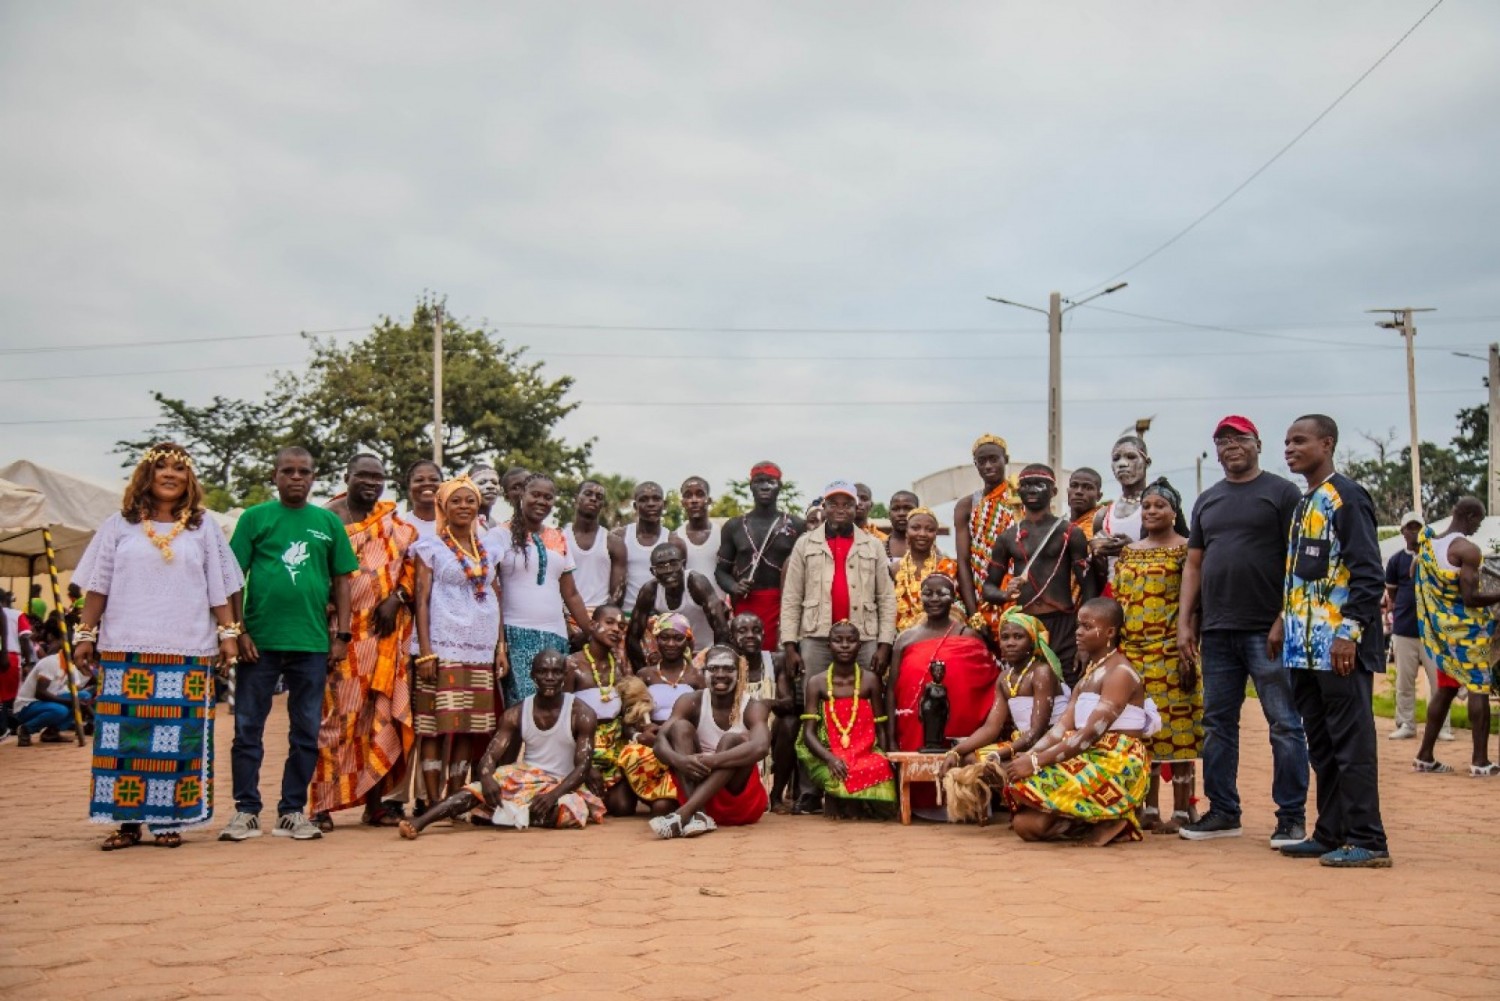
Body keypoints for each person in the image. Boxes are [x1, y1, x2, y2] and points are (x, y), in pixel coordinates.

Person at [70, 442, 242, 848]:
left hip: (186, 650)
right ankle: (127, 823)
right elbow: (99, 584)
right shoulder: (118, 525)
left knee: (177, 739)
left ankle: (169, 822)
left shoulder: (203, 528)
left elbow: (220, 588)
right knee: (124, 739)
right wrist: (85, 634)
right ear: (145, 477)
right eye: (160, 467)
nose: (170, 475)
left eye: (178, 469)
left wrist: (228, 633)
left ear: (189, 479)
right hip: (124, 649)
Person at [1177, 415, 1309, 848]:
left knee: (1284, 725)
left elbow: (1298, 562)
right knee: (1217, 724)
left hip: (1265, 630)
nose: (1231, 446)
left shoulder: (1282, 493)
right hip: (1216, 632)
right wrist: (1185, 623)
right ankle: (1223, 812)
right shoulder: (1208, 500)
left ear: (1257, 444)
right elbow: (1194, 564)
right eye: (1222, 441)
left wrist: (1283, 618)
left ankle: (1290, 817)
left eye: (1239, 439)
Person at [224, 446, 357, 843]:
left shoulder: (326, 522)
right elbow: (234, 577)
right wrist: (239, 630)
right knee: (248, 728)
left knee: (305, 730)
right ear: (275, 476)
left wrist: (344, 635)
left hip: (312, 642)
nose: (296, 478)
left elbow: (342, 582)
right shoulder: (254, 519)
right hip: (259, 643)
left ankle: (291, 811)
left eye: (304, 472)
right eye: (288, 471)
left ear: (314, 478)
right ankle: (246, 811)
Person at [1274, 414, 1390, 868]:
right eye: (1286, 441)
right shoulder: (1306, 503)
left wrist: (1350, 633)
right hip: (1303, 649)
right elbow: (1304, 577)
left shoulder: (1347, 497)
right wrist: (1283, 621)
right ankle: (1330, 832)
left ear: (1327, 444)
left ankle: (1369, 839)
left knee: (1351, 744)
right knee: (1320, 744)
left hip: (1339, 648)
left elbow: (1367, 572)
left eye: (1299, 441)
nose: (1290, 448)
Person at [310, 454, 418, 830]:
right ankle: (320, 805)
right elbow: (314, 574)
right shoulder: (326, 519)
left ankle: (375, 805)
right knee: (335, 721)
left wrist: (396, 599)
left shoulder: (395, 524)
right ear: (347, 477)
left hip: (385, 638)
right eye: (364, 476)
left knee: (380, 718)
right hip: (340, 636)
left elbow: (410, 568)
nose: (372, 483)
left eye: (378, 477)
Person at [1001, 598, 1156, 846]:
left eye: (1086, 626)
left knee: (1028, 781)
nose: (1078, 633)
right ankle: (1092, 821)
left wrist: (1036, 762)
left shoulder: (1120, 673)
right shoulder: (1089, 675)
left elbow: (1089, 734)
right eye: (1078, 626)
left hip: (1116, 760)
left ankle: (1115, 817)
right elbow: (1061, 729)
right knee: (1025, 825)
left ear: (1110, 632)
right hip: (1086, 752)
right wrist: (1027, 756)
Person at [399, 650, 604, 835]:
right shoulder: (515, 713)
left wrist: (553, 795)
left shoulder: (582, 714)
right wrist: (487, 777)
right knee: (476, 789)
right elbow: (490, 756)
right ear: (533, 676)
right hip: (526, 777)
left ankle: (506, 815)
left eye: (556, 672)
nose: (549, 678)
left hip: (563, 783)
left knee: (568, 812)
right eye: (543, 672)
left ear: (564, 676)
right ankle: (420, 822)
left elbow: (583, 767)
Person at [1114, 477, 1202, 834]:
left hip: (1172, 649)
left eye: (1159, 506)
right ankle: (1148, 808)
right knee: (1141, 730)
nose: (1151, 511)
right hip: (1133, 652)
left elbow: (1194, 601)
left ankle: (1183, 811)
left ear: (1174, 511)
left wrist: (1190, 640)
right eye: (1147, 506)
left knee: (1179, 730)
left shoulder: (1186, 549)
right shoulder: (1129, 551)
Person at [412, 477, 505, 805]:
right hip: (442, 645)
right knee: (435, 725)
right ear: (443, 507)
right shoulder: (430, 547)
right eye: (456, 501)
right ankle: (431, 800)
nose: (464, 506)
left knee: (469, 725)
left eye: (470, 501)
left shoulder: (489, 549)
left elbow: (496, 596)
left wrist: (500, 646)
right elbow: (420, 599)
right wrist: (425, 652)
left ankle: (454, 799)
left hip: (480, 647)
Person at [888, 573, 997, 815]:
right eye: (928, 593)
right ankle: (920, 808)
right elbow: (893, 689)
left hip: (958, 724)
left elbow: (984, 685)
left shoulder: (968, 636)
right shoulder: (904, 639)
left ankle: (964, 804)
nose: (934, 599)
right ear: (920, 598)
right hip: (914, 724)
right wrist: (891, 735)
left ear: (954, 598)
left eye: (942, 593)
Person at [940, 609, 1069, 801]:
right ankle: (1019, 802)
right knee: (969, 759)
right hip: (1024, 742)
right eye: (1005, 637)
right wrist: (955, 752)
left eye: (1018, 637)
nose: (1010, 643)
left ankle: (1031, 802)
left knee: (996, 764)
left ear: (1032, 641)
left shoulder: (1041, 672)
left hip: (1050, 742)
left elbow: (1037, 731)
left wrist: (1001, 754)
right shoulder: (1004, 678)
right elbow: (991, 728)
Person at [1412, 497, 1500, 776]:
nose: (1478, 527)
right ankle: (1480, 761)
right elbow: (1471, 598)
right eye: (1479, 521)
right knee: (1479, 688)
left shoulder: (1428, 547)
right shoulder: (1467, 550)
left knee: (1447, 689)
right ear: (1471, 516)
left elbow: (1415, 575)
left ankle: (1425, 755)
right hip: (1468, 635)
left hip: (1442, 635)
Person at [647, 645, 773, 838]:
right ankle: (699, 815)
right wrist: (679, 760)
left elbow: (761, 747)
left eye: (728, 669)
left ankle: (684, 814)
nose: (720, 674)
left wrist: (712, 760)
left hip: (739, 803)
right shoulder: (690, 700)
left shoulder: (753, 706)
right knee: (679, 728)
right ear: (703, 673)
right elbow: (660, 741)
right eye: (713, 669)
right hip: (699, 796)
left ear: (739, 674)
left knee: (732, 740)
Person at [984, 465, 1096, 682]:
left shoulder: (1070, 533)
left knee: (1068, 686)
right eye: (1025, 485)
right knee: (1026, 690)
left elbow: (1089, 588)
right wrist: (1006, 595)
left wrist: (1083, 635)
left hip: (1064, 625)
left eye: (1039, 484)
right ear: (1018, 492)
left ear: (1053, 491)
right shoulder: (1007, 538)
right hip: (1025, 627)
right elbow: (988, 588)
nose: (1032, 490)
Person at [490, 473, 594, 702]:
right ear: (521, 496)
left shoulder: (558, 537)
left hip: (555, 636)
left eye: (548, 497)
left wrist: (591, 632)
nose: (541, 501)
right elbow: (492, 592)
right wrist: (500, 645)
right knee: (524, 707)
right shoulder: (500, 535)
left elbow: (571, 594)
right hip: (515, 635)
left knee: (554, 706)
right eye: (535, 495)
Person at [781, 480, 897, 685]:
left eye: (847, 504)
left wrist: (885, 645)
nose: (840, 509)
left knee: (864, 700)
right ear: (824, 507)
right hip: (816, 637)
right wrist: (790, 646)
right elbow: (791, 596)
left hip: (863, 638)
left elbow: (886, 598)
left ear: (856, 508)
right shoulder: (805, 543)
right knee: (813, 698)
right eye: (834, 504)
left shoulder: (873, 545)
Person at [797, 620, 896, 818]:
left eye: (850, 641)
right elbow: (808, 733)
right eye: (837, 640)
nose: (844, 645)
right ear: (828, 646)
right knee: (837, 772)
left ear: (860, 646)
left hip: (864, 752)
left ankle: (849, 801)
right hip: (828, 753)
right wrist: (830, 759)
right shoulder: (817, 683)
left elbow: (881, 727)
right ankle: (843, 800)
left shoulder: (870, 681)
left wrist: (886, 758)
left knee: (879, 768)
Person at [616, 612, 706, 815]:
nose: (671, 643)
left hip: (685, 747)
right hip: (653, 749)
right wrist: (639, 736)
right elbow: (626, 723)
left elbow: (705, 719)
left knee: (662, 808)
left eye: (677, 638)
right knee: (634, 806)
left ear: (687, 640)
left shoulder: (697, 677)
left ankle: (688, 804)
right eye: (664, 637)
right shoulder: (645, 675)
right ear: (656, 640)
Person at [715, 461, 804, 650]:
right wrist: (734, 586)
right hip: (746, 605)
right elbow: (721, 571)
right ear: (751, 486)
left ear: (780, 486)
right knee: (747, 659)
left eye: (770, 482)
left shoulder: (796, 525)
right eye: (759, 481)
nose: (765, 486)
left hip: (784, 604)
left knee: (779, 659)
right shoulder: (734, 526)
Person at [1385, 511, 1453, 741]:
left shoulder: (1435, 557)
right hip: (1404, 630)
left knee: (1439, 682)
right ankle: (1406, 723)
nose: (1413, 532)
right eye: (1409, 528)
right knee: (1405, 681)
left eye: (1417, 527)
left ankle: (1442, 726)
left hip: (1432, 632)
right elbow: (1392, 593)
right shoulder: (1395, 561)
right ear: (1402, 531)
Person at [722, 612, 796, 806]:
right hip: (735, 731)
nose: (750, 635)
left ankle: (776, 795)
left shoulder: (776, 661)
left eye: (756, 631)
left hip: (769, 731)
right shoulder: (725, 665)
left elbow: (788, 701)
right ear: (731, 638)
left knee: (790, 723)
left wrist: (766, 704)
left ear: (764, 635)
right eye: (742, 631)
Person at [565, 604, 633, 815]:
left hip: (613, 752)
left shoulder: (621, 667)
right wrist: (585, 765)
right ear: (593, 626)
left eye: (621, 626)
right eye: (609, 623)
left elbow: (624, 715)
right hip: (580, 750)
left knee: (623, 807)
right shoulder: (572, 665)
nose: (616, 630)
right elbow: (562, 719)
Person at [955, 435, 1015, 639]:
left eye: (994, 459)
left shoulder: (1019, 500)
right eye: (982, 461)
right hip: (979, 588)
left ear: (1005, 460)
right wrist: (974, 615)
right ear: (976, 465)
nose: (988, 466)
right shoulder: (966, 505)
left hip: (1014, 592)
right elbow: (963, 562)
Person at [631, 542, 728, 654]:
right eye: (661, 567)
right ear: (653, 571)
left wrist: (714, 660)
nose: (669, 571)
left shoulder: (696, 583)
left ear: (683, 565)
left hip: (705, 652)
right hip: (672, 657)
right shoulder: (650, 591)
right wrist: (641, 669)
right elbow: (633, 636)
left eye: (674, 564)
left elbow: (722, 630)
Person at [14, 618, 91, 746]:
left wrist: (89, 712)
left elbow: (77, 692)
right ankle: (26, 729)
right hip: (28, 706)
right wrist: (71, 702)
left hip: (46, 703)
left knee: (84, 696)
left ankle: (52, 732)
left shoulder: (70, 667)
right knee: (61, 710)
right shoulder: (51, 662)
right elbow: (40, 693)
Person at [1091, 435, 1152, 583]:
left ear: (1147, 463)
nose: (1122, 464)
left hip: (1150, 594)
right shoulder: (1102, 516)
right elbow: (1100, 574)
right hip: (1113, 595)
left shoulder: (1159, 509)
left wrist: (1131, 550)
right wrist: (1097, 555)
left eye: (1131, 457)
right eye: (1116, 458)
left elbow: (1179, 553)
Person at [561, 480, 625, 613]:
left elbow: (618, 592)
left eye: (599, 497)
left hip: (599, 617)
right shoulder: (559, 538)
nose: (593, 499)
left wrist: (600, 621)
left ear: (602, 504)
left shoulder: (614, 542)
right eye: (588, 494)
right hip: (564, 616)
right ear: (576, 497)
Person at [614, 481, 679, 610]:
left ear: (664, 504)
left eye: (656, 499)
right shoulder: (619, 537)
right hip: (627, 614)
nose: (651, 504)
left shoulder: (674, 541)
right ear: (635, 506)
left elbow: (678, 586)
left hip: (662, 617)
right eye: (644, 500)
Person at [891, 508, 959, 632]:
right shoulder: (894, 569)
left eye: (929, 529)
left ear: (935, 534)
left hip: (942, 634)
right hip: (903, 637)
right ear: (906, 532)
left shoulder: (948, 566)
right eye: (915, 528)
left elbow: (957, 608)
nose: (922, 534)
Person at [679, 476, 725, 601]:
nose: (694, 500)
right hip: (687, 611)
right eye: (688, 495)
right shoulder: (676, 537)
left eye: (700, 494)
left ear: (708, 500)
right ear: (682, 502)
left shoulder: (722, 534)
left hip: (720, 609)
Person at [0, 589, 36, 736]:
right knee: (10, 696)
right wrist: (28, 662)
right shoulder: (17, 615)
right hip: (11, 656)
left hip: (5, 654)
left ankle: (5, 725)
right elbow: (24, 638)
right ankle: (7, 725)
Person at [883, 490, 920, 567]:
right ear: (889, 514)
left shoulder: (930, 549)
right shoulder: (878, 547)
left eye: (908, 508)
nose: (901, 513)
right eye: (896, 509)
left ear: (918, 512)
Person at [1068, 468, 1104, 538]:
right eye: (1074, 485)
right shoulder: (1058, 525)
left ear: (1099, 496)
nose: (1079, 491)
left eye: (1088, 487)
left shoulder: (1104, 524)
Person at [467, 464, 502, 530]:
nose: (490, 486)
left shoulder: (499, 526)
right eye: (482, 483)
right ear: (469, 487)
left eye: (494, 483)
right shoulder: (462, 525)